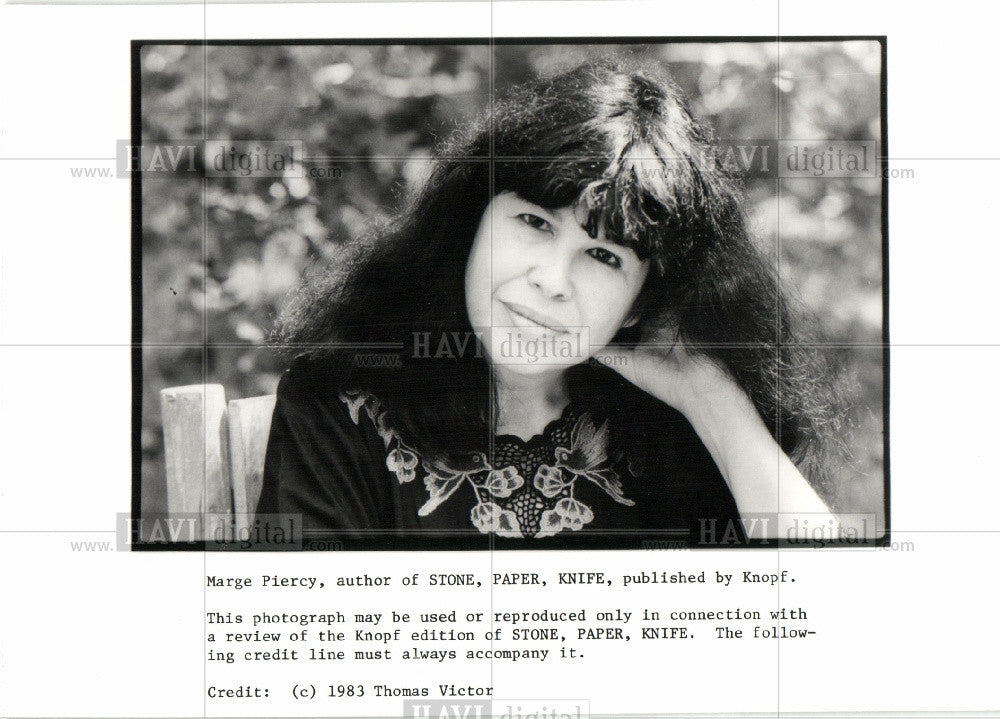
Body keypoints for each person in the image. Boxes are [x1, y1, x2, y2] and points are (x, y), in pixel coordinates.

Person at [255, 60, 845, 549]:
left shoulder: (675, 433)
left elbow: (824, 632)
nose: (552, 280)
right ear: (473, 223)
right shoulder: (343, 406)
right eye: (535, 222)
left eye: (605, 256)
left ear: (643, 302)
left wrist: (712, 402)